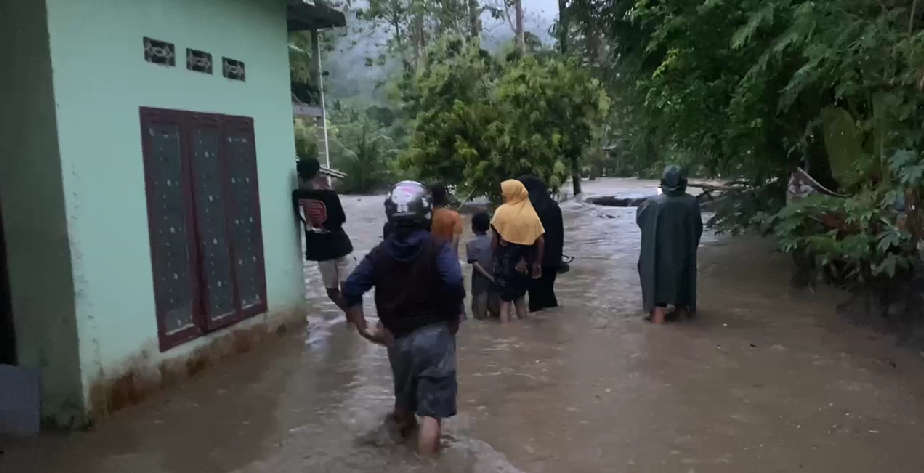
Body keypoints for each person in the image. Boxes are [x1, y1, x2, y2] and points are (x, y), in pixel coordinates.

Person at [341, 180, 465, 456]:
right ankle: (426, 465)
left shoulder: (379, 253)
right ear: (425, 213)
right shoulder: (438, 248)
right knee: (431, 415)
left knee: (404, 405)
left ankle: (396, 455)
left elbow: (351, 288)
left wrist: (363, 327)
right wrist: (454, 314)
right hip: (435, 338)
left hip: (397, 340)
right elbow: (454, 281)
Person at [636, 165, 703, 324]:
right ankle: (681, 313)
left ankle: (658, 325)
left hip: (658, 262)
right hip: (683, 258)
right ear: (683, 182)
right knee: (682, 305)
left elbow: (640, 220)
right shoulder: (691, 203)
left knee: (658, 309)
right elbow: (697, 230)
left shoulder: (652, 203)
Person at [292, 158, 354, 311]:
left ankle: (352, 319)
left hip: (320, 248)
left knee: (332, 292)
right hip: (340, 245)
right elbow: (341, 219)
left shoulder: (296, 195)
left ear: (300, 175)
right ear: (318, 172)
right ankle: (356, 321)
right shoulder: (329, 195)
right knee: (349, 291)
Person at [491, 180, 545, 323]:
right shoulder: (531, 214)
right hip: (524, 265)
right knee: (520, 300)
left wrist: (494, 261)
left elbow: (494, 242)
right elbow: (541, 242)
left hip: (504, 264)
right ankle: (524, 335)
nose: (503, 195)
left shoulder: (501, 212)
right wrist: (537, 263)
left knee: (504, 304)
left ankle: (507, 339)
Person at [518, 175, 564, 312]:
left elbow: (533, 238)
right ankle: (553, 325)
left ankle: (539, 328)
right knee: (547, 292)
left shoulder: (532, 210)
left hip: (536, 259)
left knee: (535, 296)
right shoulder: (554, 207)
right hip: (553, 259)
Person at [466, 212, 499, 320]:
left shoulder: (471, 244)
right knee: (496, 314)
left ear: (473, 227)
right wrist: (492, 277)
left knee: (479, 318)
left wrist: (488, 277)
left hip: (480, 283)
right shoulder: (494, 241)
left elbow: (476, 265)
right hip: (495, 279)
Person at [429, 184, 463, 252]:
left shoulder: (426, 217)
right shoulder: (454, 216)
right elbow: (454, 245)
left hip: (430, 259)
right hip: (448, 258)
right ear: (445, 196)